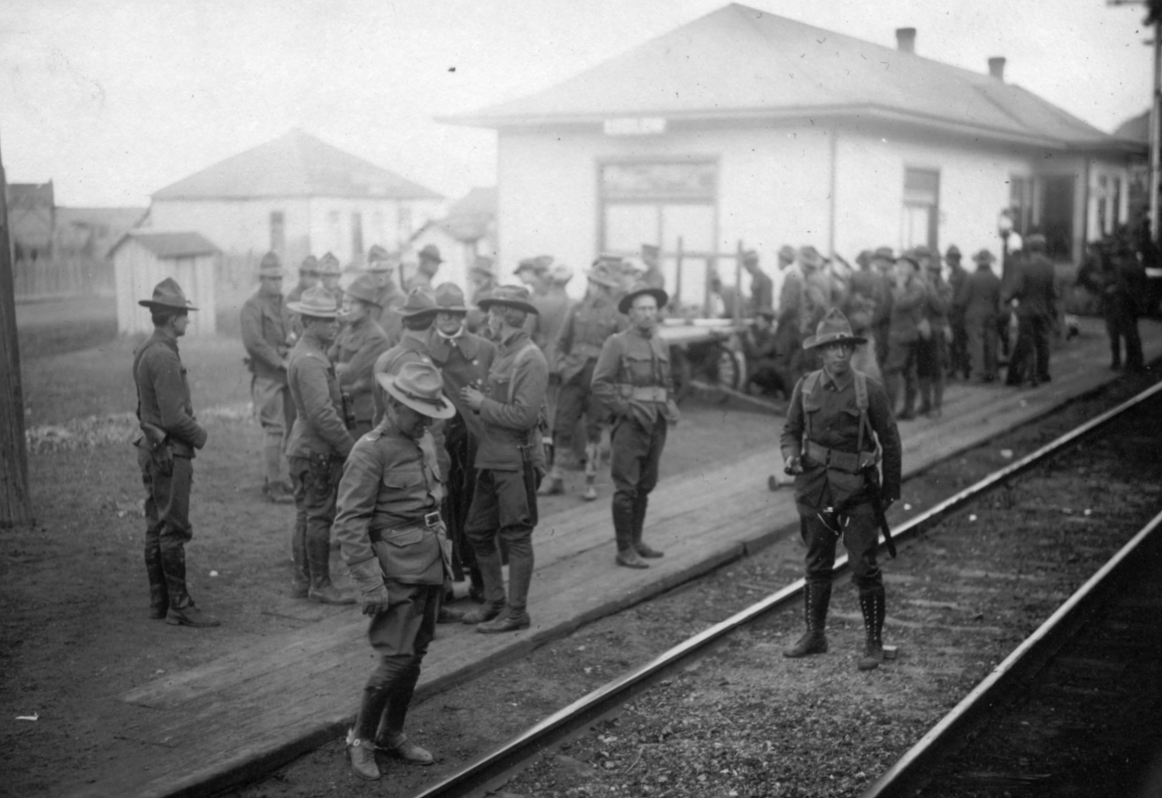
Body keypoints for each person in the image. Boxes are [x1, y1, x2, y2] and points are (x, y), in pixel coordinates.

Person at [337, 361, 457, 781]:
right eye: (416, 411)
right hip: (395, 570)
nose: (424, 420)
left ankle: (391, 733)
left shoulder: (420, 440)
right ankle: (360, 738)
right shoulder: (371, 449)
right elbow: (349, 523)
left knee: (415, 654)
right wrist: (370, 582)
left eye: (429, 412)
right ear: (393, 402)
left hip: (429, 562)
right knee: (395, 658)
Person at [780, 308, 902, 670]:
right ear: (820, 352)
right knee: (817, 563)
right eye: (832, 348)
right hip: (815, 489)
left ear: (851, 350)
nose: (839, 354)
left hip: (858, 491)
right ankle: (815, 635)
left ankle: (873, 643)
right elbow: (789, 432)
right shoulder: (805, 386)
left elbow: (891, 443)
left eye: (844, 347)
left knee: (864, 566)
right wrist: (790, 456)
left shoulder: (869, 389)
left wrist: (889, 492)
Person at [458, 285, 549, 633]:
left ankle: (517, 612)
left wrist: (483, 405)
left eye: (490, 314)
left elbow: (525, 417)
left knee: (516, 535)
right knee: (478, 530)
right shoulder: (503, 353)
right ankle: (495, 601)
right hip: (492, 457)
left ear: (503, 316)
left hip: (514, 460)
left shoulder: (530, 358)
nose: (486, 321)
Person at [133, 278, 217, 627]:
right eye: (184, 313)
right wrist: (201, 434)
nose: (188, 319)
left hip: (152, 449)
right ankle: (179, 605)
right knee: (173, 528)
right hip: (169, 452)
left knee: (157, 524)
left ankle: (160, 602)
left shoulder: (147, 351)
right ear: (172, 319)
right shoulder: (164, 356)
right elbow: (173, 417)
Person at [591, 282, 679, 569]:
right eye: (641, 309)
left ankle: (637, 540)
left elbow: (666, 381)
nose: (648, 314)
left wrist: (671, 405)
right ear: (631, 313)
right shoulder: (617, 343)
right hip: (630, 423)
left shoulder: (661, 342)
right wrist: (625, 409)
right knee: (626, 486)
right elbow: (600, 384)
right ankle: (624, 549)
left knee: (646, 483)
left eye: (652, 309)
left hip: (657, 421)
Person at [285, 286, 357, 605]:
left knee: (307, 515)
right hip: (316, 451)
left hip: (305, 448)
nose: (335, 325)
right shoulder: (312, 360)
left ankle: (304, 580)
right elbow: (322, 414)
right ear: (308, 322)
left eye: (335, 319)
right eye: (327, 320)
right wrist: (349, 447)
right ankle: (320, 584)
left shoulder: (309, 353)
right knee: (318, 517)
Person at [427, 283, 498, 604]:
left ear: (462, 315)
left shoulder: (483, 348)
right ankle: (443, 585)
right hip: (440, 441)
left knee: (478, 509)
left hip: (475, 440)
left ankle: (482, 582)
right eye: (441, 313)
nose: (447, 319)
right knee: (441, 511)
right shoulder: (424, 350)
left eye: (453, 313)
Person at [542, 260, 626, 500]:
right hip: (574, 375)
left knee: (594, 430)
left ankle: (590, 482)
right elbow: (560, 342)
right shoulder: (577, 308)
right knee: (562, 425)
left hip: (599, 378)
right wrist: (560, 365)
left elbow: (622, 350)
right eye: (592, 283)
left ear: (608, 288)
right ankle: (556, 477)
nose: (595, 288)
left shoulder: (616, 314)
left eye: (601, 285)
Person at [240, 251, 295, 503]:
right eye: (271, 278)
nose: (277, 283)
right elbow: (254, 343)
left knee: (286, 430)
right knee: (274, 429)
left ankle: (276, 478)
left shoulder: (282, 303)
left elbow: (288, 331)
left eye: (279, 278)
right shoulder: (252, 306)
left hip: (284, 376)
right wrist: (279, 360)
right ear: (261, 278)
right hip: (268, 376)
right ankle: (274, 486)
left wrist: (289, 344)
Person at [332, 274, 392, 439]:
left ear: (367, 307)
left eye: (353, 303)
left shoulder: (376, 336)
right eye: (345, 302)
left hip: (364, 414)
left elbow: (350, 372)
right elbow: (329, 357)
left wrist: (335, 367)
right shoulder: (348, 329)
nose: (347, 307)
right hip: (345, 408)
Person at [1004, 233, 1057, 387]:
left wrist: (1007, 298)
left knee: (1025, 343)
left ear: (1030, 248)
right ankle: (1043, 373)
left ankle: (1022, 376)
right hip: (1043, 310)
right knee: (1043, 342)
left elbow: (1016, 288)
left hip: (1026, 311)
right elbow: (1053, 291)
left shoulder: (1023, 265)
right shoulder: (1049, 265)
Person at [882, 252, 926, 419]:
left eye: (903, 265)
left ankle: (890, 413)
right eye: (898, 265)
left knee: (892, 370)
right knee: (909, 372)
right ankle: (908, 410)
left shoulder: (917, 286)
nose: (899, 268)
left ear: (912, 268)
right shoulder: (909, 284)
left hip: (903, 335)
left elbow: (901, 304)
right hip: (907, 334)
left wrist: (899, 287)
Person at [958, 249, 1003, 383]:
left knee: (976, 344)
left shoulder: (971, 278)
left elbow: (962, 299)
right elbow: (998, 299)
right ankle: (992, 373)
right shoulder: (995, 279)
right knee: (991, 344)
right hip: (991, 314)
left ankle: (977, 374)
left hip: (973, 315)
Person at [1103, 236, 1147, 372]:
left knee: (1122, 334)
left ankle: (1125, 363)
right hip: (1134, 303)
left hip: (1122, 304)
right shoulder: (1138, 265)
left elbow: (1122, 286)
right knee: (1132, 333)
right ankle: (1135, 361)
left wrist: (1112, 289)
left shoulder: (1124, 267)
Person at [917, 251, 952, 418]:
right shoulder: (920, 285)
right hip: (923, 332)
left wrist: (930, 289)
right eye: (929, 270)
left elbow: (941, 307)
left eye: (934, 270)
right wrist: (921, 320)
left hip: (937, 332)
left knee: (938, 369)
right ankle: (925, 404)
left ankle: (937, 406)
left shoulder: (946, 288)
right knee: (922, 369)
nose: (931, 273)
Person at [845, 248, 888, 382]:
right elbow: (881, 301)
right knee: (867, 350)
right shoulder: (877, 277)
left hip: (855, 319)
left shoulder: (853, 275)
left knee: (855, 351)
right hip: (870, 318)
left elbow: (846, 298)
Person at [365, 245, 405, 346]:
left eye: (382, 271)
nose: (379, 276)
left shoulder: (397, 298)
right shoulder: (373, 295)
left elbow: (382, 337)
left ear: (390, 272)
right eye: (374, 272)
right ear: (369, 274)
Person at [945, 245, 971, 380]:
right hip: (952, 314)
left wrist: (952, 305)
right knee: (953, 344)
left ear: (956, 259)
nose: (947, 262)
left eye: (949, 259)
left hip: (961, 314)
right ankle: (954, 369)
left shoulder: (964, 274)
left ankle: (965, 370)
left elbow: (963, 297)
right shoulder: (951, 275)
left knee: (962, 343)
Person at [742, 249, 774, 317]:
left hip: (760, 320)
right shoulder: (755, 278)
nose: (746, 269)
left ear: (752, 263)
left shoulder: (765, 280)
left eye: (746, 265)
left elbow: (765, 305)